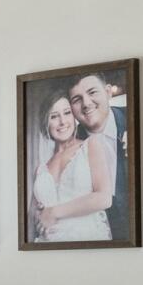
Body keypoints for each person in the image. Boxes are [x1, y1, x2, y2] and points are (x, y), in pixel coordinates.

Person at [31, 96, 113, 242]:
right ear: (46, 122)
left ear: (74, 117)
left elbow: (104, 198)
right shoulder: (41, 167)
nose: (62, 121)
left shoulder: (90, 146)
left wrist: (53, 212)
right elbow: (36, 211)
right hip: (48, 244)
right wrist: (38, 214)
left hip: (87, 238)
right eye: (54, 116)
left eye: (67, 113)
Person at [66, 72, 127, 241]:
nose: (86, 103)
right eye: (77, 99)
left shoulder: (138, 118)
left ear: (108, 92)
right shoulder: (68, 146)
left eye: (92, 92)